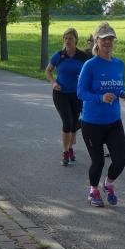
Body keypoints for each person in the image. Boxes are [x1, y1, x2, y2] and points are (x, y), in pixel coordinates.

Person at [76, 22, 125, 207]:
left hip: (114, 121)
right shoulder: (90, 65)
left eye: (111, 39)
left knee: (121, 160)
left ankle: (108, 183)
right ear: (97, 42)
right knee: (98, 162)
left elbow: (120, 86)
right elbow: (81, 93)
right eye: (104, 39)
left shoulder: (119, 64)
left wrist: (124, 93)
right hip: (92, 122)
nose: (108, 42)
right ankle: (93, 191)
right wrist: (100, 97)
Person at [45, 27, 89, 165]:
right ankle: (65, 152)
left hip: (77, 95)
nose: (67, 41)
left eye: (70, 38)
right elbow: (48, 71)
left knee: (75, 123)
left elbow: (90, 72)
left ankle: (70, 148)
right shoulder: (59, 55)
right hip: (61, 94)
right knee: (67, 122)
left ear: (76, 40)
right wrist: (54, 83)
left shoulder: (83, 57)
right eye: (65, 38)